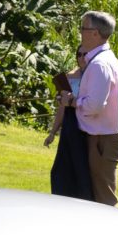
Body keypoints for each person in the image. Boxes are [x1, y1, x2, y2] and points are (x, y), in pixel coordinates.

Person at [69, 10, 118, 206]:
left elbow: (94, 106)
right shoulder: (102, 59)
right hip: (101, 138)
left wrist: (71, 101)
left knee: (105, 199)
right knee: (97, 195)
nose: (80, 33)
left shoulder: (100, 64)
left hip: (103, 140)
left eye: (83, 28)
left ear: (95, 33)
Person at [43, 65, 93, 200]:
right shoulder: (70, 76)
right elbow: (62, 108)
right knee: (61, 170)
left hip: (87, 129)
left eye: (85, 55)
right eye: (79, 55)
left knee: (82, 170)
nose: (82, 58)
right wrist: (53, 132)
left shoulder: (94, 74)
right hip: (70, 126)